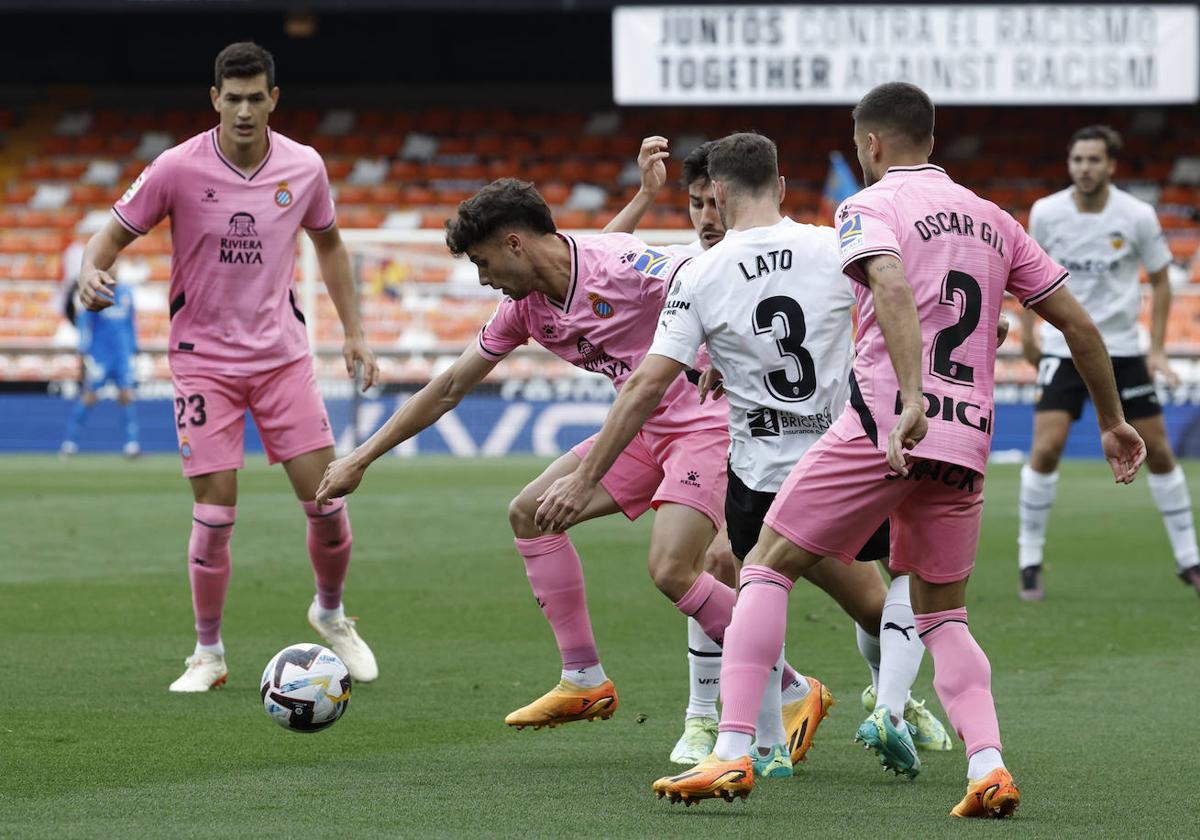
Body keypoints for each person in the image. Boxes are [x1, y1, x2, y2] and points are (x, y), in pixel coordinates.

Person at [647, 82, 1146, 817]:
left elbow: (886, 281)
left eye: (858, 146)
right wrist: (1111, 420)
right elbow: (1079, 325)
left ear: (871, 145)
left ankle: (732, 754)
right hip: (967, 438)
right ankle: (988, 765)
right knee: (944, 616)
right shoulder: (994, 219)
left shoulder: (868, 206)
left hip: (882, 426)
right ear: (932, 141)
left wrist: (908, 397)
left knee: (762, 566)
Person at [314, 178, 830, 772]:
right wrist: (361, 457)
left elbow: (725, 282)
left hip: (707, 427)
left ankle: (792, 689)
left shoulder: (626, 264)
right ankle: (585, 678)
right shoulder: (525, 309)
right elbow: (451, 386)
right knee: (529, 514)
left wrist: (731, 359)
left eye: (483, 263)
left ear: (514, 245)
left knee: (671, 570)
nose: (482, 279)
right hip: (640, 429)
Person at [599, 136, 952, 765]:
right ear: (783, 187)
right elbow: (902, 299)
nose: (705, 213)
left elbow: (649, 376)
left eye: (711, 200)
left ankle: (766, 744)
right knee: (895, 585)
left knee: (756, 584)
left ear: (725, 194)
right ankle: (883, 701)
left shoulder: (697, 271)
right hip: (845, 464)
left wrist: (587, 474)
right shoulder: (833, 244)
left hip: (763, 471)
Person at [76, 42, 380, 692]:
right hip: (203, 363)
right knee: (215, 515)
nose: (244, 110)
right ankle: (208, 655)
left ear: (274, 98)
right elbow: (110, 236)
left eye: (255, 97)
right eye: (232, 98)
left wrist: (354, 333)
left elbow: (330, 246)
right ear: (215, 99)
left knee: (328, 501)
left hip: (282, 360)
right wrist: (88, 271)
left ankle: (331, 613)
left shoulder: (305, 166)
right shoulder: (175, 167)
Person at [1018, 125, 1200, 599]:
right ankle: (1029, 559)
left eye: (1094, 160)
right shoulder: (1046, 212)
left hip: (1121, 347)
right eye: (1077, 160)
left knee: (1158, 449)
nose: (1084, 168)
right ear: (1070, 163)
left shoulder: (1136, 215)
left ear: (1111, 166)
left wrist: (1157, 349)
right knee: (1046, 448)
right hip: (1064, 346)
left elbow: (1161, 281)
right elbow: (1026, 273)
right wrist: (1032, 333)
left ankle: (1189, 559)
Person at [60, 278, 141, 458]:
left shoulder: (127, 293)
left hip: (122, 356)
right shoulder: (97, 293)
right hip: (101, 356)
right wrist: (82, 347)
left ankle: (132, 445)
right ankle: (69, 443)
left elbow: (131, 323)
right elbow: (84, 321)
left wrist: (134, 346)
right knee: (89, 397)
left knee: (127, 396)